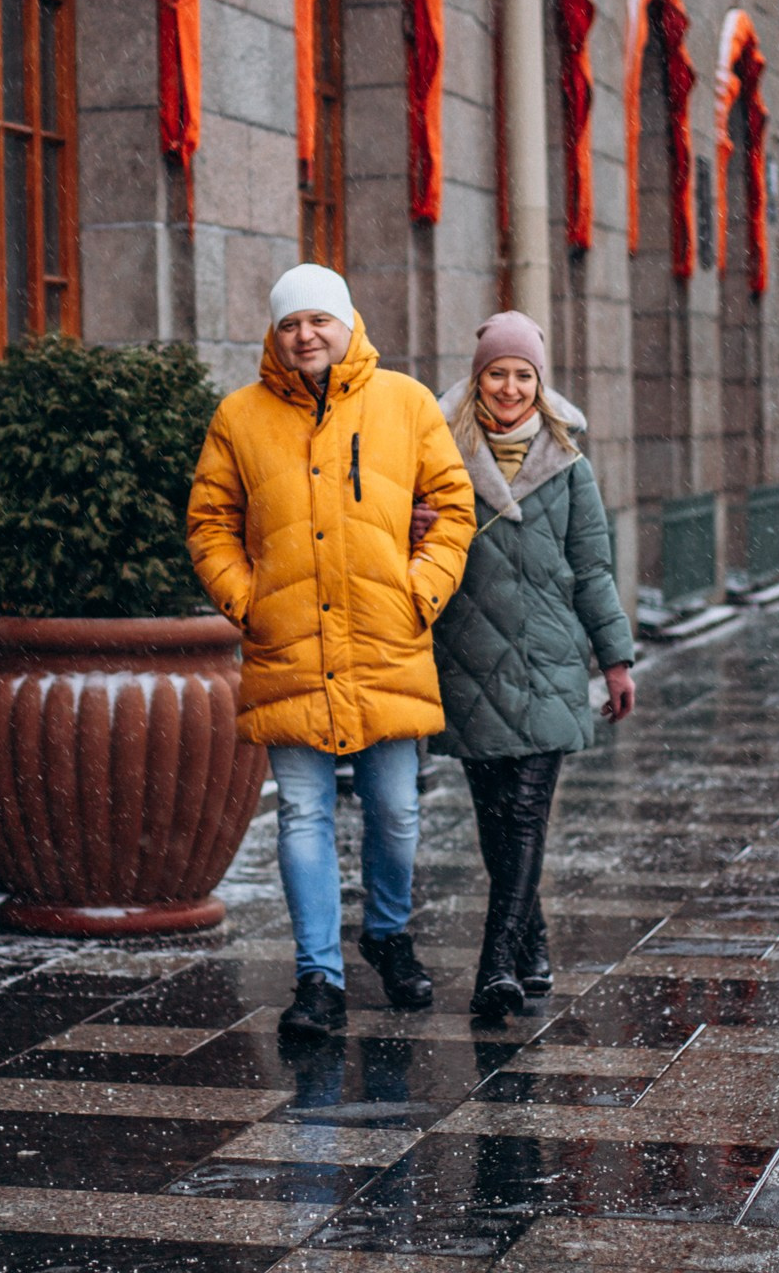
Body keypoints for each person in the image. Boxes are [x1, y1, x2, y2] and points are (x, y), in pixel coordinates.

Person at [188, 264, 475, 1043]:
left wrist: (419, 591)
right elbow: (209, 522)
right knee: (304, 816)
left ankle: (387, 931)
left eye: (318, 320)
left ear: (348, 325)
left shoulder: (407, 404)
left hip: (386, 638)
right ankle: (318, 974)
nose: (305, 335)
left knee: (396, 811)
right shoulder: (239, 417)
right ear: (273, 335)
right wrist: (247, 601)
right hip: (290, 648)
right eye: (290, 324)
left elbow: (453, 507)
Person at [423, 312, 636, 1019]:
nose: (509, 387)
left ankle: (496, 964)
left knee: (523, 816)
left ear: (538, 385)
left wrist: (615, 659)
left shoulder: (569, 464)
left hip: (548, 660)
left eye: (523, 375)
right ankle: (533, 941)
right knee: (493, 815)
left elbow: (594, 569)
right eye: (497, 373)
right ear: (477, 378)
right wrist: (412, 523)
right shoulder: (438, 453)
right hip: (470, 658)